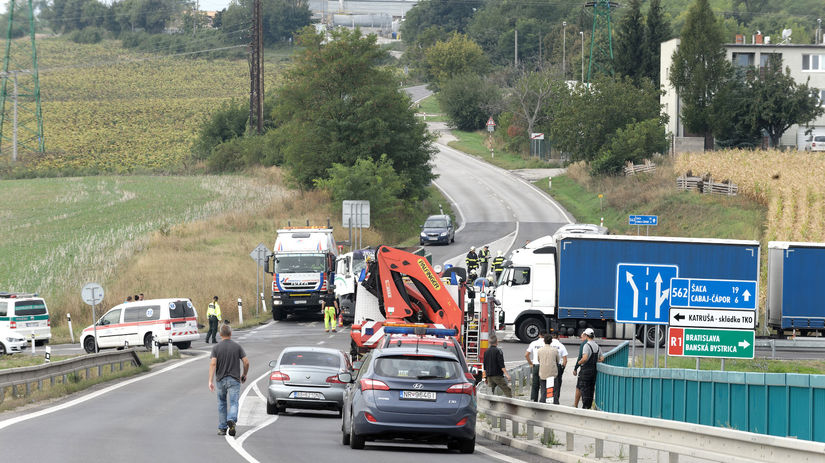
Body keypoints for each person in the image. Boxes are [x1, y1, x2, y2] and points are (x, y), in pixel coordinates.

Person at [208, 324, 249, 437]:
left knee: (221, 403)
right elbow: (246, 362)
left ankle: (222, 428)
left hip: (220, 379)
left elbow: (213, 363)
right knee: (234, 403)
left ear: (220, 334)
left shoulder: (216, 348)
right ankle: (231, 420)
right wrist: (244, 374)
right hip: (234, 379)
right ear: (231, 333)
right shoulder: (237, 346)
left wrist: (210, 381)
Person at [575, 327, 603, 409]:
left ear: (586, 336)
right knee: (591, 389)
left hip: (585, 371)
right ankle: (589, 406)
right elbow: (602, 358)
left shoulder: (586, 345)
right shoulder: (597, 346)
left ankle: (585, 407)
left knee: (584, 389)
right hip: (594, 371)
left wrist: (579, 362)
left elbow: (585, 358)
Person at [524, 329, 547, 402]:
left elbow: (526, 355)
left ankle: (533, 400)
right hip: (545, 366)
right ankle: (543, 400)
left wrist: (530, 363)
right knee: (544, 384)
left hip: (536, 365)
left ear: (539, 335)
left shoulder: (533, 343)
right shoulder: (548, 343)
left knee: (535, 385)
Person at [537, 333, 559, 403]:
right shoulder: (555, 350)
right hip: (552, 373)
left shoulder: (540, 350)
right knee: (553, 391)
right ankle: (555, 403)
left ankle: (542, 403)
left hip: (543, 373)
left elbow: (538, 360)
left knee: (543, 390)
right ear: (551, 341)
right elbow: (557, 361)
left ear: (544, 341)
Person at [549, 330, 569, 405]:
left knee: (549, 383)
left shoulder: (548, 344)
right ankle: (556, 400)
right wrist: (562, 368)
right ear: (558, 337)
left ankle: (549, 399)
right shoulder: (561, 346)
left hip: (549, 366)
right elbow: (565, 360)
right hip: (558, 366)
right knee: (557, 384)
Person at [572, 330, 587, 407]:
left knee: (579, 386)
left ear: (585, 336)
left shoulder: (584, 344)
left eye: (581, 337)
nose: (581, 339)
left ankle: (575, 405)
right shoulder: (595, 344)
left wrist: (575, 368)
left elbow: (580, 357)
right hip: (593, 369)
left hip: (584, 369)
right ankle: (587, 405)